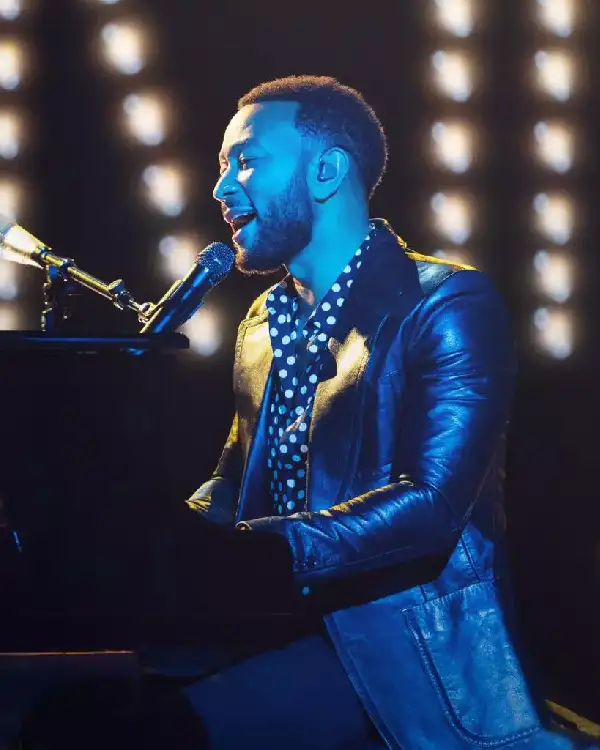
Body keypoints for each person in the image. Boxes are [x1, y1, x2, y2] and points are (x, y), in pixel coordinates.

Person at [180, 75, 599, 750]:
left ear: (326, 170)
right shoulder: (261, 319)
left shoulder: (446, 303)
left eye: (245, 160)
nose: (221, 187)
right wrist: (167, 536)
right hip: (276, 629)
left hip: (402, 657)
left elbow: (431, 505)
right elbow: (235, 479)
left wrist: (264, 551)